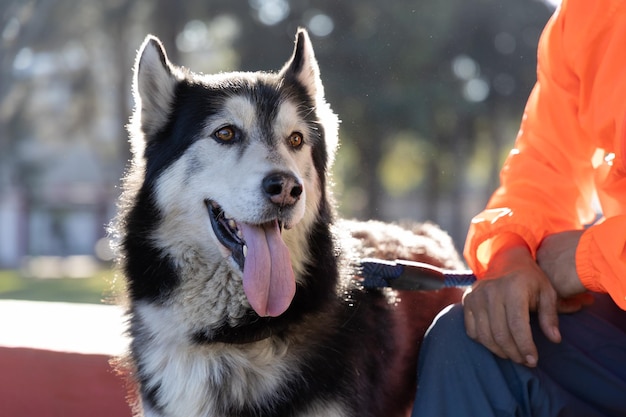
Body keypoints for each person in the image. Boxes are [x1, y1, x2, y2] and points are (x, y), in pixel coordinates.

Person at [412, 0, 626, 415]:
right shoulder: (586, 17)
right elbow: (544, 167)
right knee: (474, 340)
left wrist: (588, 259)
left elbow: (586, 259)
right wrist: (512, 255)